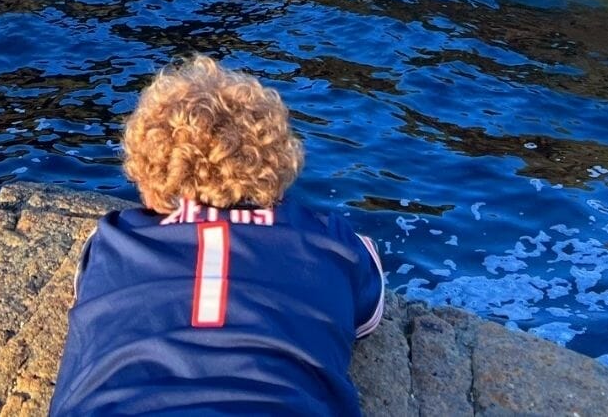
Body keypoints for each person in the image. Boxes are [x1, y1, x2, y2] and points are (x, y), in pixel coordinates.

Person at [49, 57, 385, 417]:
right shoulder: (331, 242)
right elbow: (369, 311)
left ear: (146, 168)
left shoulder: (113, 241)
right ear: (277, 159)